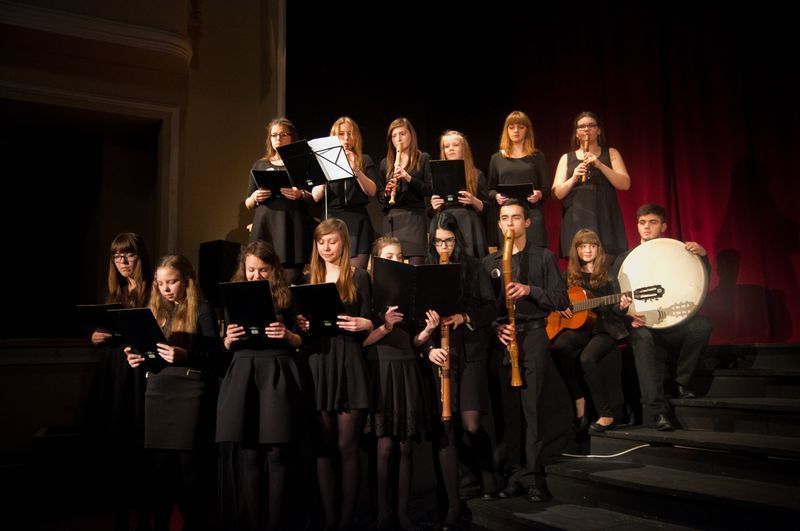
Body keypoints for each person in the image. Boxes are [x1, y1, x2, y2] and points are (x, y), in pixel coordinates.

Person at [482, 199, 570, 503]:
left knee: (532, 409)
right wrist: (496, 327)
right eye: (504, 218)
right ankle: (514, 475)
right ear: (499, 224)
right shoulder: (489, 262)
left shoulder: (544, 257)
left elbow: (562, 301)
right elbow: (483, 309)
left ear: (527, 223)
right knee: (510, 413)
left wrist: (529, 290)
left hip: (533, 337)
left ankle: (534, 476)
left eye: (516, 218)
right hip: (505, 340)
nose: (509, 224)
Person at [125, 255, 220, 531]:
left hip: (189, 389)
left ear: (187, 280)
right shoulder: (157, 310)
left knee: (188, 469)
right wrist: (139, 357)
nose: (166, 289)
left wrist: (185, 354)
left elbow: (215, 356)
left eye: (172, 282)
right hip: (158, 388)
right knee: (159, 469)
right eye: (161, 283)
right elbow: (152, 353)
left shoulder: (202, 309)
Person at [215, 241, 305, 530]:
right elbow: (226, 343)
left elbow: (300, 341)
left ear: (273, 270)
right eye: (250, 270)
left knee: (277, 452)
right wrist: (228, 339)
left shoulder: (286, 297)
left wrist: (286, 334)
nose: (255, 276)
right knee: (249, 452)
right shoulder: (233, 295)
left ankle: (276, 523)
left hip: (276, 369)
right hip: (244, 371)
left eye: (262, 270)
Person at [424, 212, 498, 529]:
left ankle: (488, 470)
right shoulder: (425, 271)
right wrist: (428, 344)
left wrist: (463, 318)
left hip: (469, 351)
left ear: (458, 240)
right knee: (446, 425)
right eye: (439, 241)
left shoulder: (474, 266)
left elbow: (491, 307)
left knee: (470, 424)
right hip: (442, 354)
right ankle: (454, 502)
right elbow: (418, 318)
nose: (444, 247)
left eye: (449, 241)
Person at [299, 218, 374, 530]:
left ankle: (347, 519)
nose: (326, 248)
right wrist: (303, 326)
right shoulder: (308, 280)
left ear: (344, 243)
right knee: (324, 446)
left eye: (331, 241)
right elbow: (302, 327)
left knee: (347, 446)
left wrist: (364, 324)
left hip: (349, 360)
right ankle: (330, 519)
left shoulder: (358, 277)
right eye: (321, 242)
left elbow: (371, 318)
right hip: (319, 360)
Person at [612, 204, 713, 431]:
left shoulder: (680, 252)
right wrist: (626, 313)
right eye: (642, 222)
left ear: (664, 226)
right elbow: (613, 297)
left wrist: (703, 258)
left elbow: (697, 282)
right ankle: (658, 412)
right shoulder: (625, 259)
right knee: (642, 339)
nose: (646, 227)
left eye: (653, 222)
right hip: (642, 324)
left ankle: (682, 382)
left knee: (702, 325)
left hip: (675, 322)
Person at [363, 236, 432, 531]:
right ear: (378, 260)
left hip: (406, 368)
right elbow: (362, 341)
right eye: (389, 255)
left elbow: (413, 341)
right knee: (384, 446)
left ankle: (403, 514)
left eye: (400, 255)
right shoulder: (368, 290)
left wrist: (427, 331)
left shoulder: (410, 290)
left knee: (405, 446)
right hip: (381, 367)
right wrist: (386, 325)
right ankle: (382, 514)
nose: (397, 259)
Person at [88, 232, 152, 530]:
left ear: (140, 258)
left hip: (140, 366)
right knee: (117, 430)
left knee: (141, 430)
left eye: (129, 255)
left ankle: (144, 498)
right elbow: (101, 330)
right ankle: (118, 498)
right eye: (116, 257)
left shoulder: (153, 289)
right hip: (114, 367)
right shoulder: (113, 292)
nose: (123, 262)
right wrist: (95, 336)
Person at [550, 229, 631, 432]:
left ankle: (606, 414)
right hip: (582, 328)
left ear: (598, 249)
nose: (587, 250)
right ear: (576, 250)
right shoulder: (567, 276)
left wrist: (621, 305)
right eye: (583, 246)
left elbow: (615, 309)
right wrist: (562, 308)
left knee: (587, 359)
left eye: (592, 246)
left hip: (606, 327)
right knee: (559, 346)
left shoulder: (608, 275)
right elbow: (556, 300)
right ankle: (579, 398)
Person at [552, 111, 630, 261]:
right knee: (578, 271)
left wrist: (600, 164)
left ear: (598, 130)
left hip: (604, 216)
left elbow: (625, 184)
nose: (586, 129)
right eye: (581, 127)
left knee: (607, 264)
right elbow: (557, 193)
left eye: (591, 125)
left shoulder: (611, 153)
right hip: (577, 217)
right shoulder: (566, 158)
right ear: (576, 133)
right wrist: (574, 177)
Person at [245, 117, 313, 284]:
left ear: (291, 137)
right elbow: (248, 203)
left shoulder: (301, 163)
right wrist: (255, 197)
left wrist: (300, 194)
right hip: (266, 224)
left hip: (291, 225)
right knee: (261, 273)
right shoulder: (260, 164)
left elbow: (314, 197)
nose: (278, 139)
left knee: (290, 277)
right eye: (274, 135)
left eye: (283, 134)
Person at [311, 116, 378, 270]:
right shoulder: (323, 160)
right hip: (332, 219)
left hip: (357, 220)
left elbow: (372, 190)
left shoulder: (364, 159)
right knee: (332, 274)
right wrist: (327, 168)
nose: (347, 138)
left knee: (356, 275)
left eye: (350, 133)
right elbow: (315, 195)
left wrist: (356, 169)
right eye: (341, 134)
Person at [487, 110, 550, 248]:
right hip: (508, 216)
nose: (516, 131)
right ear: (507, 130)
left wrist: (539, 194)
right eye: (512, 127)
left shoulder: (537, 156)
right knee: (510, 256)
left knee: (536, 255)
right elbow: (490, 190)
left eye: (521, 127)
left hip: (531, 214)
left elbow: (546, 189)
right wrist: (496, 196)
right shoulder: (497, 158)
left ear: (527, 130)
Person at [376, 117, 432, 265]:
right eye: (394, 136)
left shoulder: (423, 158)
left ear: (411, 135)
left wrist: (409, 178)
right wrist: (387, 193)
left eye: (402, 134)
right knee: (393, 269)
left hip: (414, 219)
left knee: (416, 267)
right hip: (392, 220)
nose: (398, 139)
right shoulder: (385, 163)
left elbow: (429, 189)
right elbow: (380, 197)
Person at [429, 130, 489, 258]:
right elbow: (429, 212)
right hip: (445, 224)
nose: (450, 149)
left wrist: (473, 200)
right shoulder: (436, 176)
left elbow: (487, 208)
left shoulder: (476, 174)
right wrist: (434, 206)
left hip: (469, 224)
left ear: (464, 148)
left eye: (455, 145)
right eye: (447, 146)